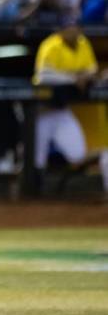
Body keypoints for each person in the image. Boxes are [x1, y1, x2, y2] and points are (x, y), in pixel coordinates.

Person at [33, 16, 108, 191]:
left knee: (77, 154)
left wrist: (85, 77)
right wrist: (73, 78)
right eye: (68, 28)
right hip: (40, 112)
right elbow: (43, 76)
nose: (72, 31)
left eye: (75, 27)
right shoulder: (50, 45)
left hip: (61, 111)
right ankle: (30, 195)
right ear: (60, 31)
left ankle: (58, 186)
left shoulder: (83, 43)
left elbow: (92, 69)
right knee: (36, 160)